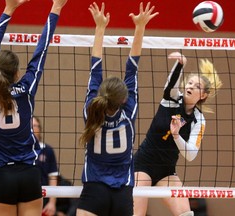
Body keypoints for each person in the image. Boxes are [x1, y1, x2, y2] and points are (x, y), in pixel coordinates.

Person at [0, 0, 68, 215]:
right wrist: (56, 8)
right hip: (28, 174)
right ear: (17, 73)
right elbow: (41, 50)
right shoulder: (27, 89)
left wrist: (8, 9)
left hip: (0, 176)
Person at [76, 2, 159, 216]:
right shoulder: (128, 112)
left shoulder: (90, 110)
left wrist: (100, 27)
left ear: (101, 94)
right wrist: (140, 27)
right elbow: (132, 68)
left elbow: (95, 67)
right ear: (124, 100)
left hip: (94, 188)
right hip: (123, 191)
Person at [133, 52, 223, 216]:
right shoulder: (172, 99)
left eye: (196, 87)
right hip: (143, 165)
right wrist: (180, 64)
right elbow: (170, 86)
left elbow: (191, 155)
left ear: (203, 95)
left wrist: (176, 135)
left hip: (166, 171)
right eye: (189, 83)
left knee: (186, 214)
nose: (190, 87)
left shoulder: (199, 120)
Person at [33, 116, 59, 216]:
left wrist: (52, 203)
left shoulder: (47, 150)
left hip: (45, 197)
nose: (33, 128)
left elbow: (53, 177)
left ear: (39, 129)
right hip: (25, 196)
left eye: (35, 126)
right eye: (31, 126)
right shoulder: (21, 150)